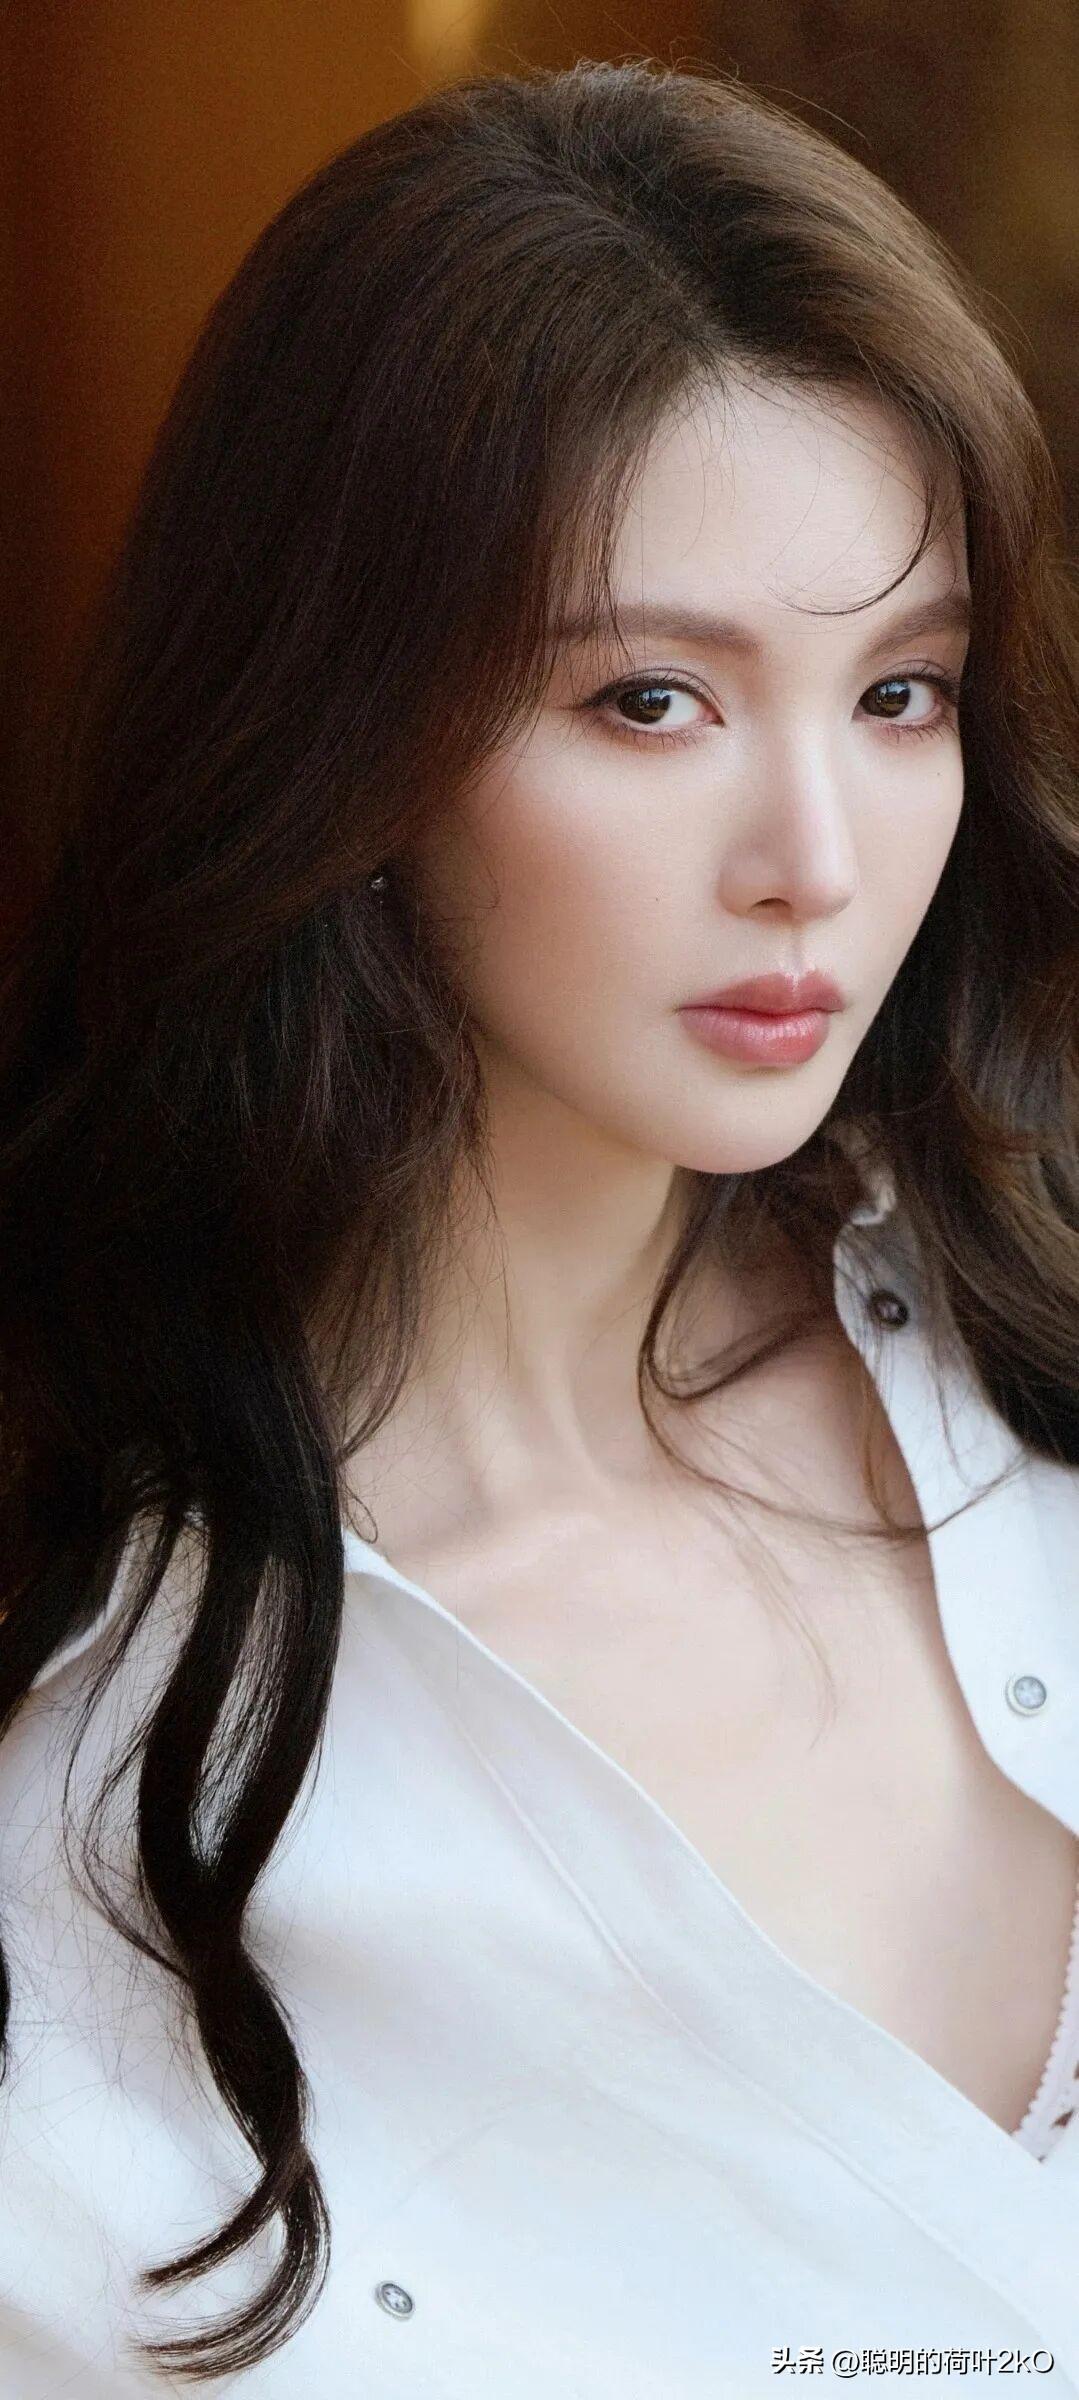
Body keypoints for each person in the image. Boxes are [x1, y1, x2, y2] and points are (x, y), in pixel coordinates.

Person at [0, 53, 1077, 2400]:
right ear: (349, 728)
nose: (815, 856)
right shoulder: (95, 1756)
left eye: (900, 692)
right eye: (653, 699)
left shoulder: (1035, 1356)